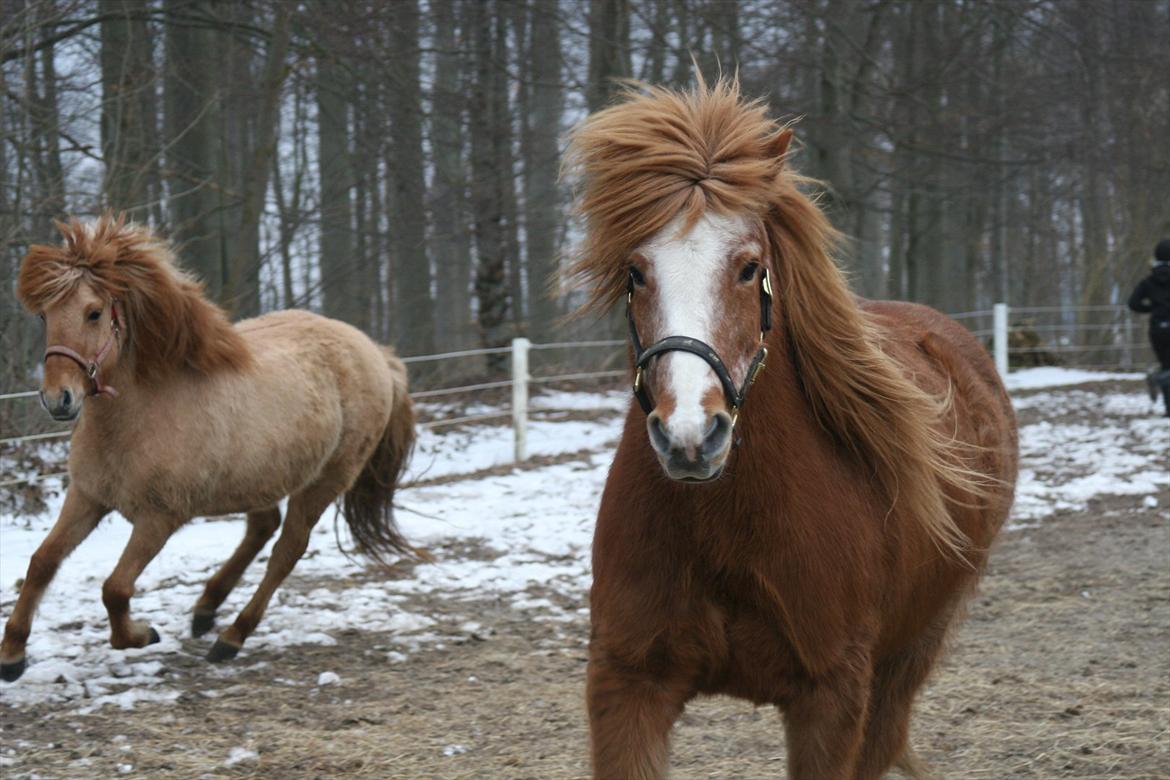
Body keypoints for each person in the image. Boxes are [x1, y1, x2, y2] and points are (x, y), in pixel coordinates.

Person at [1128, 239, 1170, 417]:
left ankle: (1169, 408)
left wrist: (1152, 309)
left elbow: (1133, 303)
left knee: (1166, 364)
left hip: (1158, 328)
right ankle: (1158, 379)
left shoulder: (1149, 281)